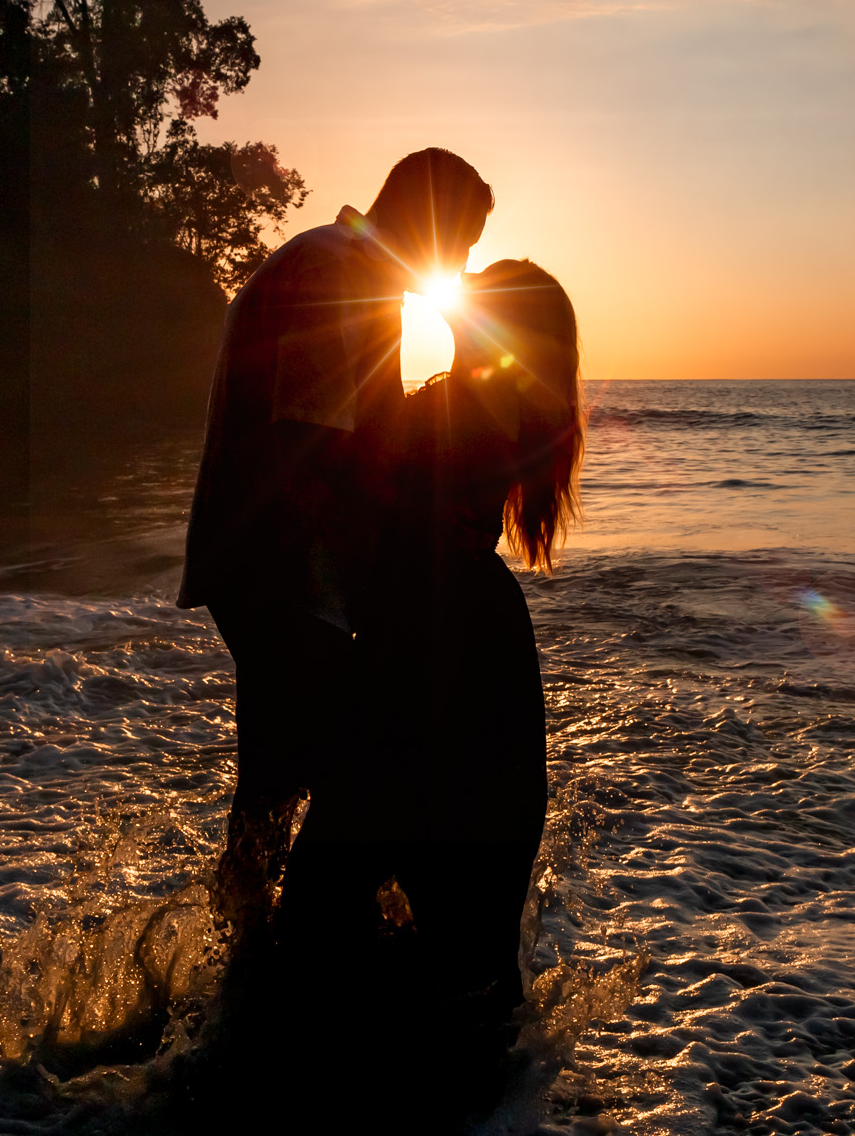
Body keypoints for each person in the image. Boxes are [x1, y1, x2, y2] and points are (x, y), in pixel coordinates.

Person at [277, 258, 584, 1102]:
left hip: (424, 646)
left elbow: (342, 457)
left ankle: (290, 1080)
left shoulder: (458, 402)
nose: (461, 285)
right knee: (471, 926)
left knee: (324, 907)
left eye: (480, 286)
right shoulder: (514, 412)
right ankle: (492, 1101)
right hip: (472, 646)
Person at [176, 147, 495, 940]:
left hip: (270, 566)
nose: (456, 264)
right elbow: (309, 446)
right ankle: (287, 968)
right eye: (459, 245)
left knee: (278, 782)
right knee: (355, 778)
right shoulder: (340, 275)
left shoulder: (338, 263)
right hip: (283, 570)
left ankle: (241, 968)